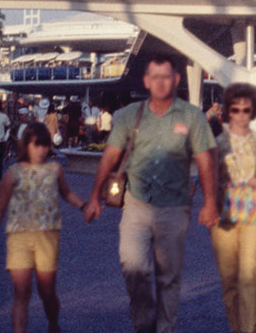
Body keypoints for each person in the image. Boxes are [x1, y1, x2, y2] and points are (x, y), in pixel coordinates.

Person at [83, 55, 219, 333]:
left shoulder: (192, 116)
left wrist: (211, 203)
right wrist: (95, 196)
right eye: (154, 77)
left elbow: (206, 160)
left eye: (166, 77)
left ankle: (165, 328)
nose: (160, 83)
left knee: (168, 277)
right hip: (136, 204)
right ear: (146, 81)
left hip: (175, 207)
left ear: (176, 80)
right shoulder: (129, 115)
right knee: (133, 265)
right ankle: (143, 325)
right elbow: (110, 155)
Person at [0, 123, 85, 333]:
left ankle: (53, 324)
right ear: (25, 145)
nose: (41, 150)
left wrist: (84, 205)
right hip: (19, 236)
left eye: (45, 146)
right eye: (36, 145)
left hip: (47, 236)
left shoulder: (55, 169)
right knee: (21, 292)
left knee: (47, 291)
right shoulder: (13, 173)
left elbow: (67, 194)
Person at [211, 83, 256, 333]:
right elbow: (210, 179)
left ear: (253, 111)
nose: (240, 114)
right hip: (224, 215)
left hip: (254, 212)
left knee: (249, 275)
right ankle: (237, 328)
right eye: (235, 109)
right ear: (228, 111)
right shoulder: (216, 143)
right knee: (229, 280)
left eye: (246, 110)